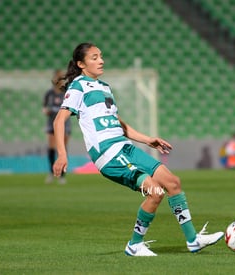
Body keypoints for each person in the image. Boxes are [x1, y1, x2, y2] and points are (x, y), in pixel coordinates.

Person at [52, 42, 224, 256]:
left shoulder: (104, 87)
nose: (101, 60)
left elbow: (117, 123)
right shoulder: (78, 86)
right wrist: (61, 154)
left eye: (101, 56)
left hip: (126, 148)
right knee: (155, 192)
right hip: (109, 154)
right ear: (81, 64)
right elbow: (59, 121)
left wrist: (147, 139)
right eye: (94, 57)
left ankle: (193, 240)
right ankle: (135, 245)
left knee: (173, 183)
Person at [42, 69, 71, 184]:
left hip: (65, 123)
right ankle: (51, 172)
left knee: (62, 148)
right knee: (52, 147)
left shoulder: (67, 93)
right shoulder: (49, 94)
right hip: (51, 123)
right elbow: (44, 108)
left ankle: (62, 174)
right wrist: (46, 111)